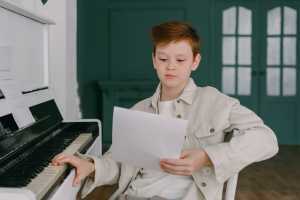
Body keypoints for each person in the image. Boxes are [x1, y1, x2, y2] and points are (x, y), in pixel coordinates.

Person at [52, 21, 278, 200]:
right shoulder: (139, 110)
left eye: (180, 59)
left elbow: (266, 140)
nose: (170, 66)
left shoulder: (214, 101)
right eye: (163, 58)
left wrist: (207, 157)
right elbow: (118, 165)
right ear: (154, 60)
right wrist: (90, 165)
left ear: (195, 62)